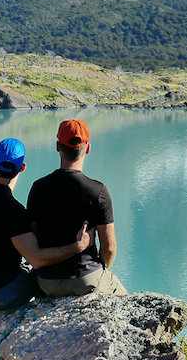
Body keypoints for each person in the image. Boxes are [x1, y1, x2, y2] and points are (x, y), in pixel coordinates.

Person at [0, 137, 91, 312]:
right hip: (1, 294)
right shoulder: (14, 210)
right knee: (42, 278)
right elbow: (37, 259)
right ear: (22, 167)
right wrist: (77, 246)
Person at [27, 119, 127, 297]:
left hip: (46, 281)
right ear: (87, 147)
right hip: (86, 278)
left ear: (58, 146)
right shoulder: (98, 190)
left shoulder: (38, 188)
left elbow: (33, 237)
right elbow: (109, 247)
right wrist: (101, 270)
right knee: (126, 301)